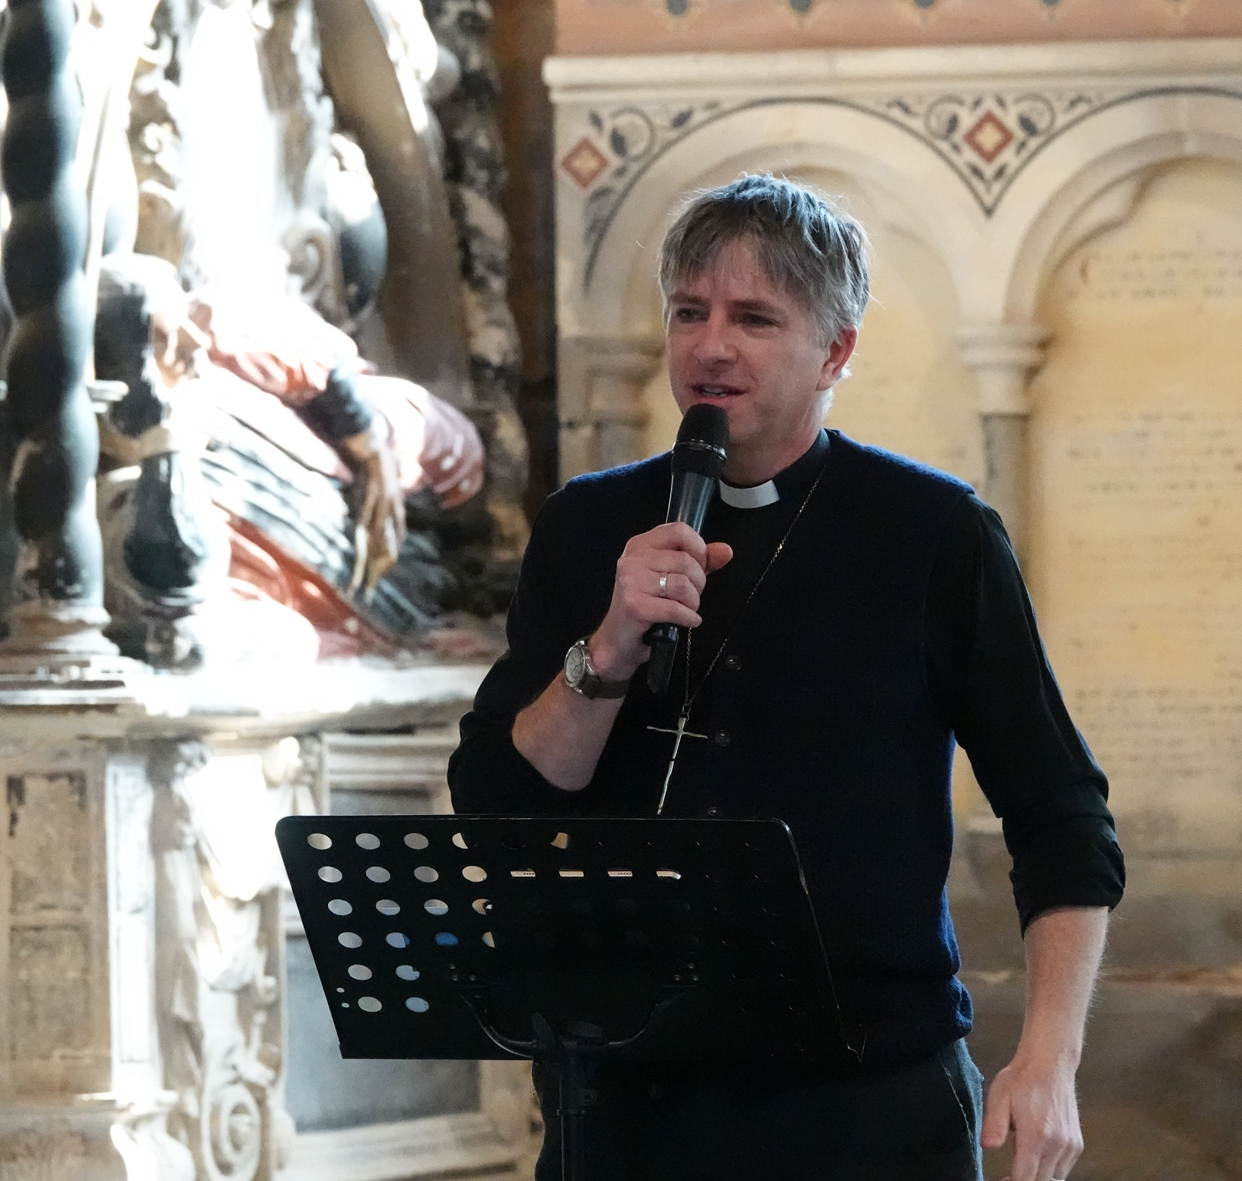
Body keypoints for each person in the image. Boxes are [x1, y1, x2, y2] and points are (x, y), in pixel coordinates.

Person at [448, 174, 1123, 1181]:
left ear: (834, 350)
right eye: (689, 311)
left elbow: (1060, 815)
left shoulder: (930, 532)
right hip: (627, 1097)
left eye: (753, 317)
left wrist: (1047, 1057)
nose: (709, 345)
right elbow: (503, 797)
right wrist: (610, 641)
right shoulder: (590, 526)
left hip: (866, 1096)